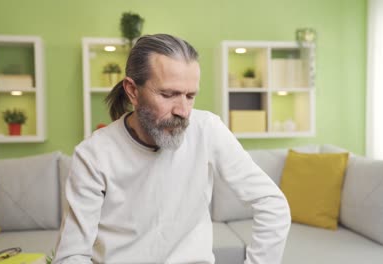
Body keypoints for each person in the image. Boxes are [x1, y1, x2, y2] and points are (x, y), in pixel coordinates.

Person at [53, 33, 290, 264]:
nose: (183, 111)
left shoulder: (207, 129)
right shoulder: (93, 154)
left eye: (190, 96)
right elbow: (72, 255)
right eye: (168, 94)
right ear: (133, 91)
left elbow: (272, 204)